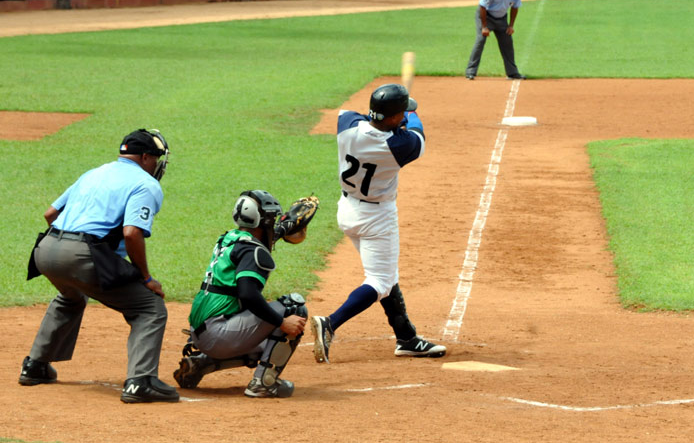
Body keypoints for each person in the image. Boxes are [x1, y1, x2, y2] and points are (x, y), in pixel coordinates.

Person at [20, 128, 178, 403]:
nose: (157, 164)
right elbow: (131, 233)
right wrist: (146, 277)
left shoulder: (94, 173)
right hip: (81, 254)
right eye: (156, 158)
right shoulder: (146, 184)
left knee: (70, 295)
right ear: (144, 157)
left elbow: (50, 214)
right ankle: (140, 381)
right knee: (149, 308)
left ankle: (35, 365)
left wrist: (66, 249)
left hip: (45, 250)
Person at [310, 83, 446, 364]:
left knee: (385, 274)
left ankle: (406, 337)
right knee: (380, 281)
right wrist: (411, 112)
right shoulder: (399, 145)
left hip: (347, 209)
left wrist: (395, 116)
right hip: (376, 218)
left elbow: (369, 120)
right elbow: (418, 134)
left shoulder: (346, 122)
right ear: (396, 117)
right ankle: (330, 324)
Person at [173, 190, 308, 398]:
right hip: (219, 335)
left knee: (267, 344)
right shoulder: (253, 251)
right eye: (272, 218)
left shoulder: (229, 239)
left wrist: (282, 229)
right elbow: (248, 295)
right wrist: (282, 323)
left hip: (200, 333)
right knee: (293, 307)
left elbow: (256, 243)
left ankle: (201, 363)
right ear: (262, 220)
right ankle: (264, 383)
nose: (273, 223)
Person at [465, 0, 526, 80]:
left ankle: (512, 73)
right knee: (480, 40)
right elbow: (483, 7)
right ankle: (470, 72)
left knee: (507, 43)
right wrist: (484, 27)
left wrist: (511, 25)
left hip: (502, 18)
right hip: (486, 16)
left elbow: (515, 7)